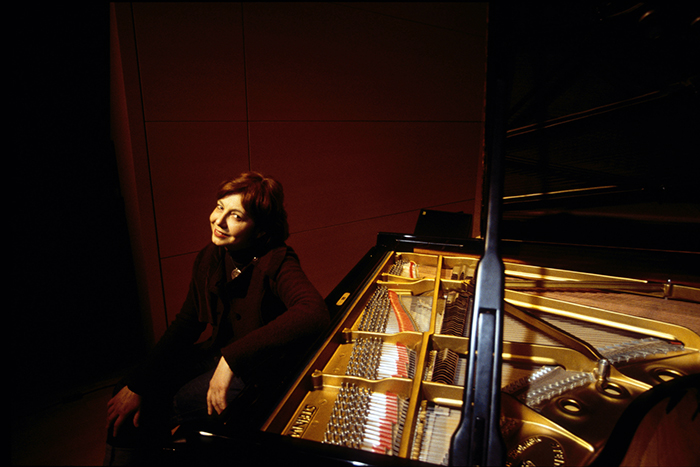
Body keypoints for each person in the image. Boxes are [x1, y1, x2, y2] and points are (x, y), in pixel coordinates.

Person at [104, 172, 330, 464]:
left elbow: (314, 312)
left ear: (260, 228)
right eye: (220, 207)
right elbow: (187, 324)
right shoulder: (211, 256)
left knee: (149, 408)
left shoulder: (278, 260)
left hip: (258, 373)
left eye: (235, 215)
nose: (218, 220)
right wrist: (138, 382)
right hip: (218, 357)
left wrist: (230, 359)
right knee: (127, 390)